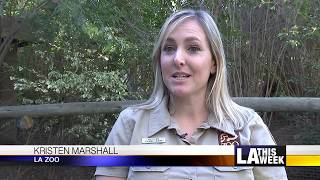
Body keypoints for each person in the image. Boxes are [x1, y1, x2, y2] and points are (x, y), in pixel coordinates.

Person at [95, 9, 287, 180]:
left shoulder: (248, 126)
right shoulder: (130, 124)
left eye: (193, 48)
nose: (177, 59)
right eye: (169, 49)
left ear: (214, 63)